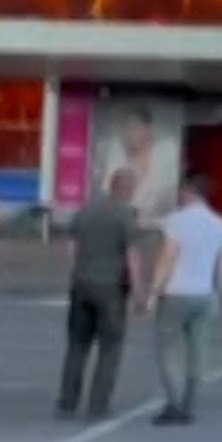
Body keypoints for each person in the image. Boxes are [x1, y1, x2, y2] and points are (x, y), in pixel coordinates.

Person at [143, 174, 222, 425]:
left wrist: (153, 292)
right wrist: (216, 293)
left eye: (182, 190)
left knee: (168, 349)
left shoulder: (177, 221)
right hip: (205, 294)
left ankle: (174, 403)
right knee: (197, 351)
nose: (180, 194)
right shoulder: (219, 224)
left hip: (176, 293)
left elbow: (168, 258)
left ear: (190, 191)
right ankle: (189, 405)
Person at [57, 168, 144, 420]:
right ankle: (98, 404)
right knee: (110, 347)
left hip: (82, 286)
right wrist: (139, 292)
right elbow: (132, 255)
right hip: (111, 289)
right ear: (128, 189)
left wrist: (77, 274)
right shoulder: (126, 215)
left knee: (77, 346)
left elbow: (71, 247)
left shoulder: (86, 210)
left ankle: (67, 402)